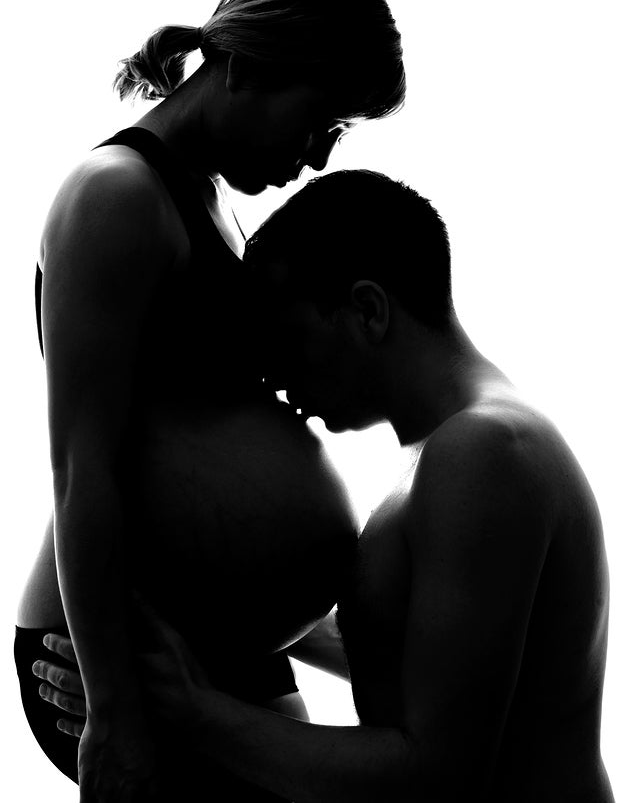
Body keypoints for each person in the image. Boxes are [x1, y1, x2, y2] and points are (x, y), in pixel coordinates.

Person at [36, 170, 615, 801]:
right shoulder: (464, 447)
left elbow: (436, 777)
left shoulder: (484, 453)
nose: (276, 381)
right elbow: (431, 662)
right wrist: (146, 651)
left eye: (286, 340)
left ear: (366, 309)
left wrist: (193, 708)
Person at [15, 0, 405, 803]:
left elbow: (202, 463)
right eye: (318, 122)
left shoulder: (209, 203)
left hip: (225, 645)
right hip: (113, 646)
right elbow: (84, 471)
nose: (314, 158)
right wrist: (113, 708)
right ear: (251, 65)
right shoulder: (115, 196)